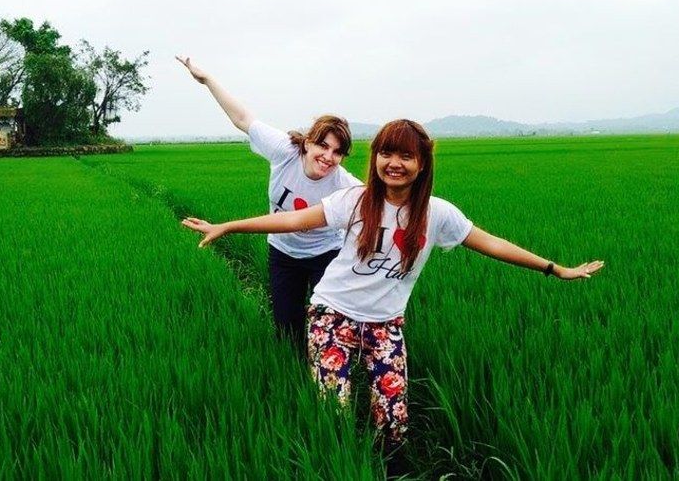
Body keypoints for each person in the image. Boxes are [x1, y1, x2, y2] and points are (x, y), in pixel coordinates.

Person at [181, 119, 604, 471]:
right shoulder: (353, 201)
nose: (394, 163)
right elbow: (292, 223)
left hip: (385, 327)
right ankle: (339, 466)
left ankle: (391, 470)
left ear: (422, 165)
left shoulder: (438, 214)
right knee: (332, 414)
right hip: (333, 316)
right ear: (375, 159)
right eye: (386, 152)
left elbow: (492, 244)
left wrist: (554, 268)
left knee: (393, 424)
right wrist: (228, 226)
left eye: (405, 155)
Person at [176, 56, 361, 349]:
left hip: (326, 255)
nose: (328, 157)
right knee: (287, 328)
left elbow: (382, 208)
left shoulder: (345, 184)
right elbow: (243, 119)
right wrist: (207, 79)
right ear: (308, 142)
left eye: (337, 152)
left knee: (330, 323)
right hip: (283, 253)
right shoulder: (285, 150)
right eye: (323, 146)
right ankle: (296, 373)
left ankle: (328, 379)